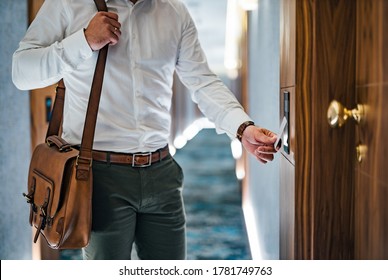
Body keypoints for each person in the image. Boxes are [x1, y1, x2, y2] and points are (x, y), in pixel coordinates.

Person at [12, 0, 277, 260]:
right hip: (99, 176)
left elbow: (203, 83)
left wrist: (242, 128)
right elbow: (21, 71)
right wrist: (83, 41)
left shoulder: (174, 11)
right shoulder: (70, 4)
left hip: (162, 173)